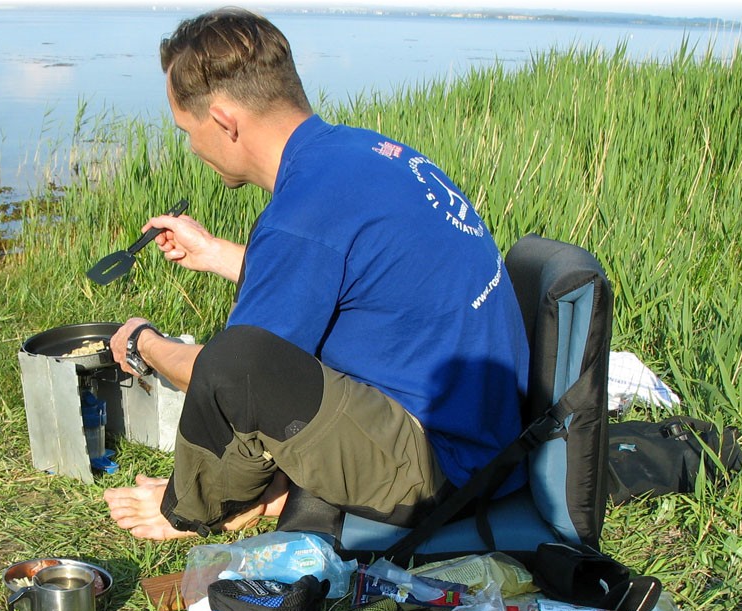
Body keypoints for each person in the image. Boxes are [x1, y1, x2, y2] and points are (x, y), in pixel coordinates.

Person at [104, 6, 528, 541]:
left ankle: (191, 507)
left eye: (188, 130)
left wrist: (146, 342)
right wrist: (215, 253)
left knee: (242, 361)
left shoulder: (299, 217)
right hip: (491, 431)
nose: (191, 147)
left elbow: (236, 379)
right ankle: (275, 486)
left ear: (223, 121)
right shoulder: (363, 154)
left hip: (443, 468)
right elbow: (354, 285)